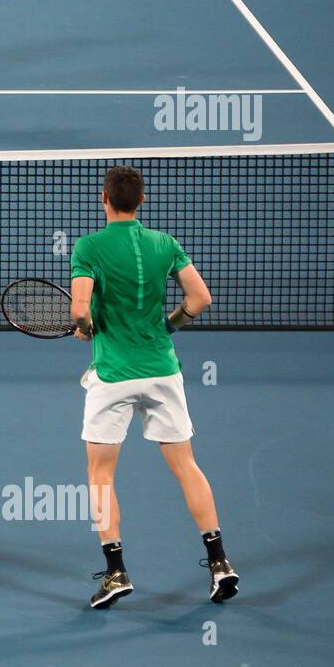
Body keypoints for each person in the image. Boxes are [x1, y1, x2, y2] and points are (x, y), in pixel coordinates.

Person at [69, 166, 239, 609]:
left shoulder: (89, 247)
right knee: (186, 466)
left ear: (103, 198)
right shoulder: (165, 243)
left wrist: (87, 329)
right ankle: (220, 563)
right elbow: (200, 299)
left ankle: (116, 572)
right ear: (141, 200)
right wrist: (169, 324)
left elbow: (79, 309)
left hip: (112, 376)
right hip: (163, 371)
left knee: (100, 476)